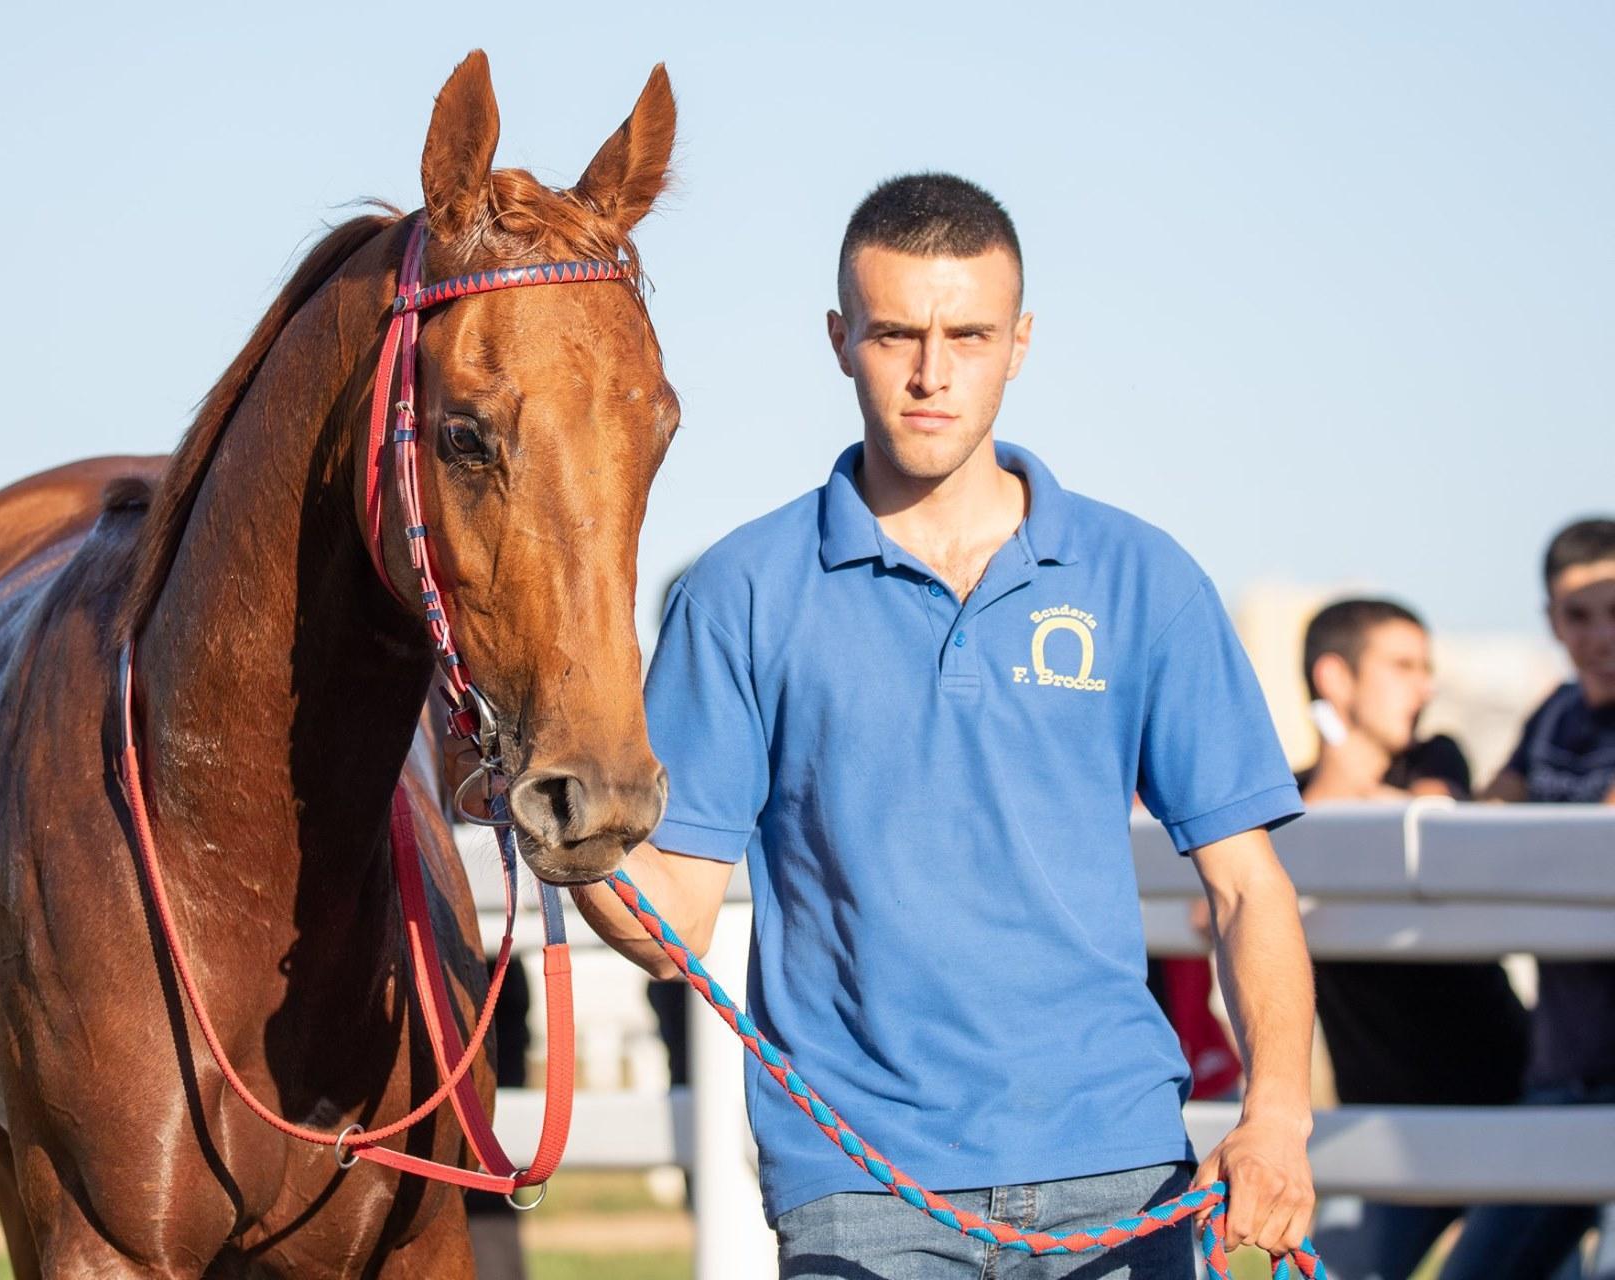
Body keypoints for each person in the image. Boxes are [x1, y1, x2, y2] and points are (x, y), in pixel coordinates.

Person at [573, 173, 1317, 1276]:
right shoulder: (741, 591)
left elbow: (1248, 886)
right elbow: (671, 924)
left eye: (967, 335)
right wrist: (563, 827)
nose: (931, 372)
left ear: (1019, 344)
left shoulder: (1141, 576)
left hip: (1118, 1163)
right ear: (840, 340)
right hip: (860, 1181)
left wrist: (1278, 1118)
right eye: (894, 334)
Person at [1293, 599, 1529, 1280]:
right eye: (1403, 666)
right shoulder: (1287, 789)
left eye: (1426, 668)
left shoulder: (1436, 754)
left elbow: (1436, 826)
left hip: (1502, 1104)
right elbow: (1223, 898)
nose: (1425, 687)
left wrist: (1339, 805)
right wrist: (1333, 778)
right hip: (1378, 1121)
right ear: (1335, 678)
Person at [1438, 519, 1615, 1280]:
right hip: (1561, 1068)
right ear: (1552, 621)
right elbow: (1485, 827)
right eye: (1580, 615)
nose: (1601, 635)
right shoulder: (1554, 714)